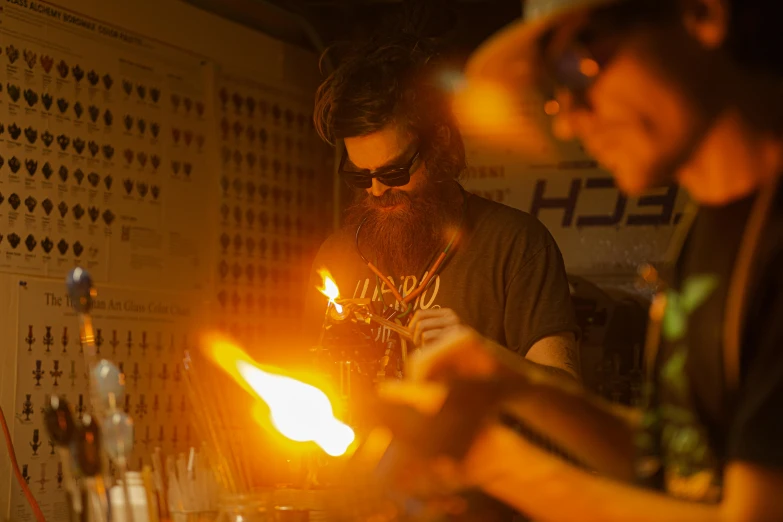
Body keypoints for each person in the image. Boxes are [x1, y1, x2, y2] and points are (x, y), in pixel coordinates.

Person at [385, 0, 783, 519]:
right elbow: (677, 469)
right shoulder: (707, 232)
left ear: (701, 14)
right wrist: (516, 385)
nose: (570, 121)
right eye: (553, 92)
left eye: (578, 66)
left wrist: (496, 465)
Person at [303, 33, 581, 381]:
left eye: (394, 172)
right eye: (361, 176)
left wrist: (487, 358)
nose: (376, 191)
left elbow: (565, 392)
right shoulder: (337, 257)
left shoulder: (515, 246)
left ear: (441, 145)